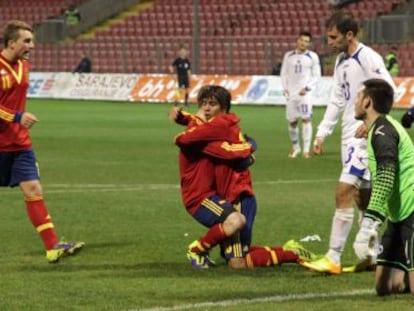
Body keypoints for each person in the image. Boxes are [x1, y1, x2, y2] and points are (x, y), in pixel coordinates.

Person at [171, 85, 317, 269]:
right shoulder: (212, 129)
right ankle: (290, 251)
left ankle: (292, 254)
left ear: (223, 108)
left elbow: (192, 140)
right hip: (223, 195)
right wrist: (183, 117)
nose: (206, 108)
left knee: (238, 262)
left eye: (212, 104)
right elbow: (202, 129)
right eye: (203, 104)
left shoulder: (219, 129)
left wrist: (247, 150)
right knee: (237, 256)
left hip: (238, 196)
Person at [301, 10, 395, 274]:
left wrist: (372, 123)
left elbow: (388, 88)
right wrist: (322, 133)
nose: (329, 42)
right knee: (361, 196)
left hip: (362, 137)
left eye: (333, 37)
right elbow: (337, 101)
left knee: (342, 191)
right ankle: (373, 255)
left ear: (349, 35)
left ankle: (333, 257)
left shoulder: (367, 57)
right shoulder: (343, 62)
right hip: (348, 135)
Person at [0, 20, 84, 263]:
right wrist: (17, 116)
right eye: (26, 41)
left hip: (20, 143)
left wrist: (18, 119)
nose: (32, 46)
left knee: (33, 189)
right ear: (11, 42)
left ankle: (52, 247)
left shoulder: (24, 65)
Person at [353, 78, 414, 296]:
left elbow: (387, 177)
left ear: (368, 102)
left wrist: (369, 224)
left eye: (359, 97)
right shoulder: (379, 128)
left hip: (412, 211)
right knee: (385, 287)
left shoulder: (382, 132)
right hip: (399, 215)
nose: (355, 101)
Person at [280, 31, 321, 158]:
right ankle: (296, 147)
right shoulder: (288, 55)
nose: (304, 43)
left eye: (307, 41)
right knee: (292, 122)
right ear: (297, 40)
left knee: (306, 119)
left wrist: (307, 87)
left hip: (305, 94)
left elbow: (317, 75)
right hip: (291, 94)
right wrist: (285, 88)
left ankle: (306, 150)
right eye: (302, 40)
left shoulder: (313, 56)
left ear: (309, 44)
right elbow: (284, 73)